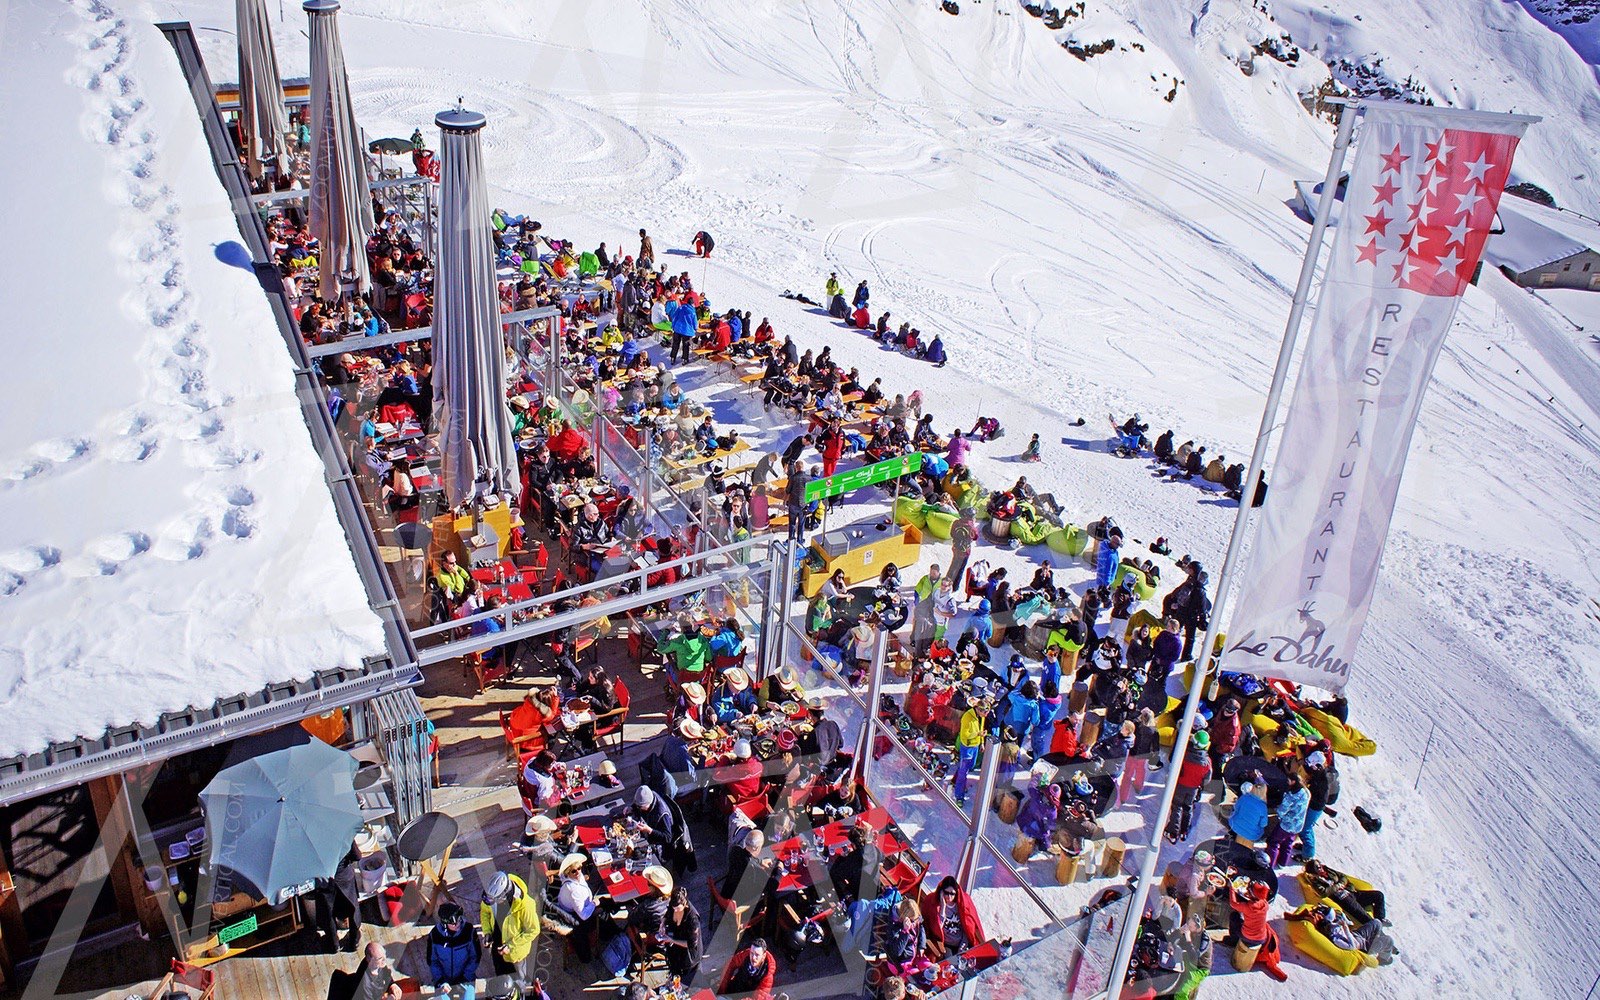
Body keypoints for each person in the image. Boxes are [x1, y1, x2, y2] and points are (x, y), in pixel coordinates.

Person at [480, 870, 539, 986]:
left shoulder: (526, 905)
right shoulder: (491, 896)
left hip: (515, 955)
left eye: (496, 900)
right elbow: (485, 912)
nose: (493, 903)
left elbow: (533, 930)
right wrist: (487, 932)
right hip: (497, 946)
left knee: (519, 982)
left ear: (505, 895)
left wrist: (511, 945)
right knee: (501, 979)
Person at [1164, 730, 1212, 843]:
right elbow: (1207, 779)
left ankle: (1172, 833)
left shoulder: (1184, 755)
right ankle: (1184, 831)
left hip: (1180, 785)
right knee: (1188, 808)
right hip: (1193, 789)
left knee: (1176, 807)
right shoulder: (1207, 762)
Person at [921, 876, 984, 958]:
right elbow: (937, 929)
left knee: (969, 962)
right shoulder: (934, 904)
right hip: (947, 944)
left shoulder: (963, 903)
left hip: (962, 941)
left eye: (952, 893)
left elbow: (968, 927)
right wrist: (943, 908)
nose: (949, 896)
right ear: (941, 892)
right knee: (951, 965)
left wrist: (963, 945)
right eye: (946, 893)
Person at [553, 854, 598, 963]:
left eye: (579, 868)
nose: (578, 872)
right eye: (574, 871)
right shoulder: (574, 890)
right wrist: (594, 904)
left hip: (573, 904)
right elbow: (583, 915)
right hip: (572, 914)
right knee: (602, 911)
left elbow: (560, 874)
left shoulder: (572, 877)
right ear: (568, 872)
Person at [427, 902, 482, 991]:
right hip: (444, 981)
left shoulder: (469, 931)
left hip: (466, 979)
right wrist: (441, 981)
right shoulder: (434, 935)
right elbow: (433, 961)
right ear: (445, 925)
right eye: (453, 924)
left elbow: (475, 957)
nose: (458, 925)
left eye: (459, 920)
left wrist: (466, 978)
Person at [661, 884, 704, 985]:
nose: (675, 910)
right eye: (674, 908)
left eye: (678, 909)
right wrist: (662, 924)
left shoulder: (693, 919)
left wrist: (671, 940)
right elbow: (668, 914)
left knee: (688, 982)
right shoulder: (673, 907)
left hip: (688, 955)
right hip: (675, 950)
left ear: (685, 904)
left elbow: (691, 945)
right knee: (674, 974)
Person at [1267, 772, 1310, 868]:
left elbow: (1281, 811)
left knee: (1274, 842)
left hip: (1286, 825)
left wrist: (1276, 809)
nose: (1287, 782)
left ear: (1293, 781)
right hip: (1298, 825)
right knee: (1288, 844)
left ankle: (1269, 864)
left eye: (1289, 780)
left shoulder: (1290, 796)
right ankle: (1282, 863)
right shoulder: (1305, 792)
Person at [883, 899, 932, 981]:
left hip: (914, 956)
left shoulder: (916, 919)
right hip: (899, 963)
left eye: (917, 919)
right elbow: (896, 952)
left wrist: (922, 946)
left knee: (930, 967)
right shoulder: (894, 927)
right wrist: (905, 932)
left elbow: (921, 928)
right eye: (913, 921)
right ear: (904, 918)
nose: (915, 922)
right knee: (916, 978)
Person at [1229, 779, 1270, 847]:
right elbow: (1263, 824)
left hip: (1236, 825)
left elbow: (1236, 808)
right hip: (1252, 834)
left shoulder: (1244, 797)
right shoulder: (1263, 807)